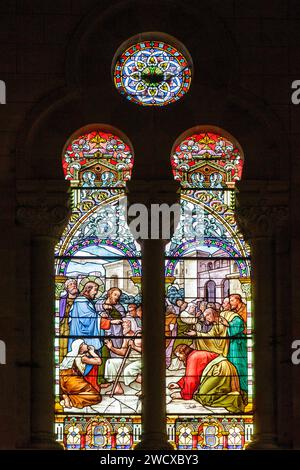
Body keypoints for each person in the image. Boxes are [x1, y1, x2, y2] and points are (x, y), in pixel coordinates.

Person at [168, 344, 244, 413]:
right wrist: (178, 384)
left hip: (218, 370)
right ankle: (238, 396)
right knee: (216, 392)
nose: (179, 359)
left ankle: (233, 398)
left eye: (179, 356)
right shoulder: (195, 354)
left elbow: (191, 379)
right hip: (226, 367)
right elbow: (191, 375)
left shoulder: (193, 357)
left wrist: (183, 395)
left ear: (184, 353)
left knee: (204, 397)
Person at [60, 339, 102, 409]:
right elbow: (99, 362)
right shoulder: (82, 358)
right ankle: (70, 399)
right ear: (81, 347)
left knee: (79, 391)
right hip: (72, 378)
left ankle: (66, 395)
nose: (86, 345)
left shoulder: (70, 354)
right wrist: (92, 352)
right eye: (84, 344)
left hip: (62, 379)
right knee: (96, 396)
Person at [104, 319, 142, 396]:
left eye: (126, 323)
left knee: (129, 370)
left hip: (141, 361)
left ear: (132, 324)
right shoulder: (127, 336)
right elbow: (123, 352)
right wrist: (111, 348)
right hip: (130, 360)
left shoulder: (140, 335)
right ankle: (117, 388)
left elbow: (150, 352)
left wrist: (134, 347)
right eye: (123, 324)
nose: (123, 325)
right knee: (111, 363)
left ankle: (145, 389)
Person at [59, 279, 79, 362]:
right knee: (63, 345)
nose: (73, 285)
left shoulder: (81, 300)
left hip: (77, 327)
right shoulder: (62, 300)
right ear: (67, 288)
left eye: (74, 284)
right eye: (70, 284)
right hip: (64, 327)